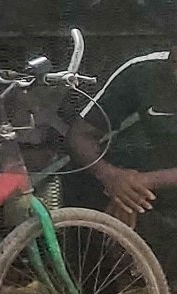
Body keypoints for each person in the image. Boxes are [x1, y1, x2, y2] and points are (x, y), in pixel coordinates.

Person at [66, 48, 177, 280]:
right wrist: (111, 177)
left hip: (158, 181)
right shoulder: (141, 71)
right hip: (157, 183)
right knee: (80, 182)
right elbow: (80, 135)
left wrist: (141, 182)